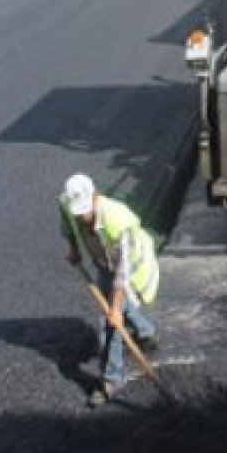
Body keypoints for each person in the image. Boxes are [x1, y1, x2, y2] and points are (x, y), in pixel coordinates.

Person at [58, 173, 161, 407]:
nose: (82, 217)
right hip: (103, 262)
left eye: (85, 211)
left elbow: (122, 277)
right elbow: (67, 224)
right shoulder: (67, 203)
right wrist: (74, 249)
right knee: (117, 311)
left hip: (132, 264)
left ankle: (111, 381)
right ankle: (147, 331)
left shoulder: (118, 221)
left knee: (110, 322)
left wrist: (113, 310)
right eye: (77, 212)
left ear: (95, 197)